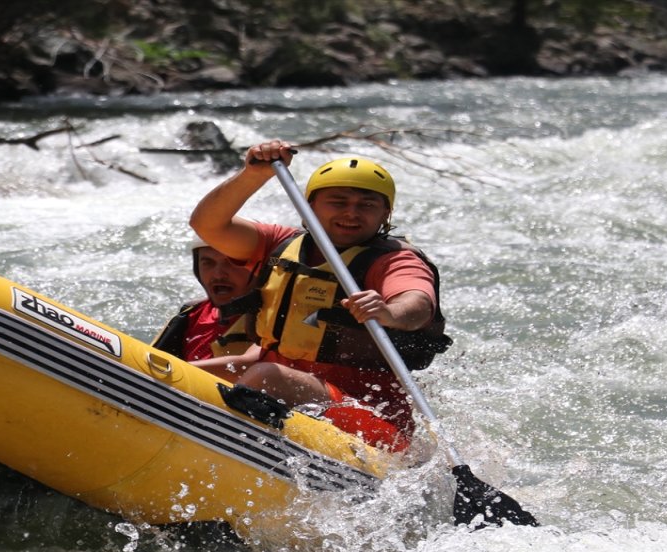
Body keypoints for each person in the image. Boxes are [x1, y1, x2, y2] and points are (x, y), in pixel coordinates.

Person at [189, 139, 451, 451]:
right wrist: (253, 175)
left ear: (385, 214)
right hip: (284, 386)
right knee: (180, 372)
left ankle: (209, 443)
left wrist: (389, 312)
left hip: (371, 419)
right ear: (310, 206)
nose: (351, 214)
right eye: (338, 202)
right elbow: (208, 225)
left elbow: (417, 302)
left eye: (367, 205)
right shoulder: (280, 243)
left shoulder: (394, 259)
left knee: (266, 376)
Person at [152, 239, 262, 381]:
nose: (218, 274)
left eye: (233, 262)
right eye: (208, 263)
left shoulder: (274, 319)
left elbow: (251, 364)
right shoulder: (191, 314)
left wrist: (170, 370)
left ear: (260, 270)